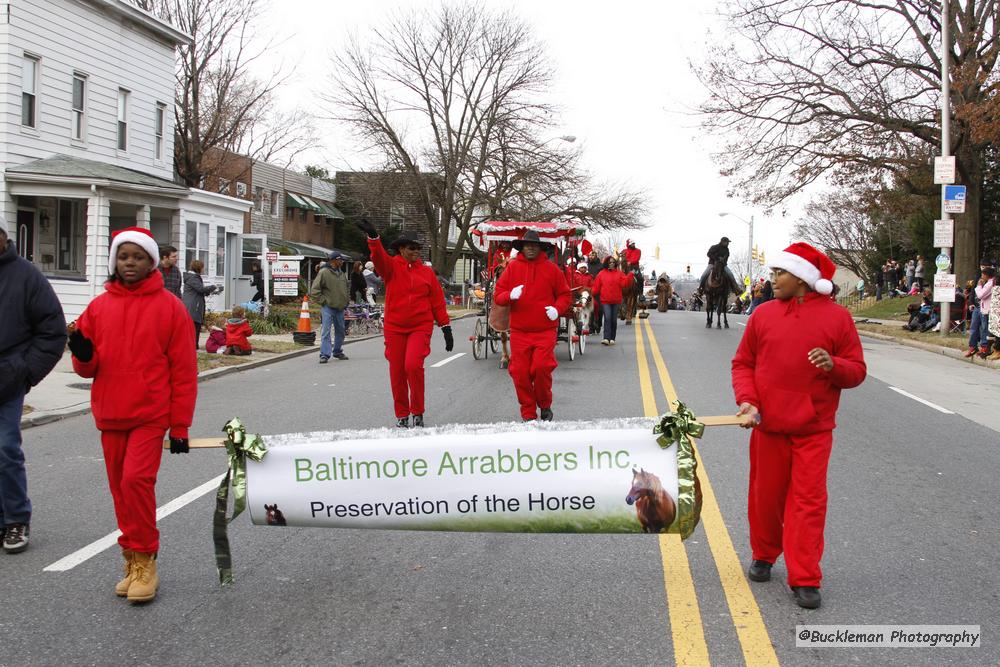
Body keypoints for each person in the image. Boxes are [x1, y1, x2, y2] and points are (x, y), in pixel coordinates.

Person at [731, 242, 866, 610]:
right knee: (766, 495)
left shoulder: (837, 318)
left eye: (780, 273)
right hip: (768, 426)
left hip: (814, 429)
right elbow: (743, 363)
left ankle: (805, 575)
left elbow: (856, 371)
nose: (772, 279)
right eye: (773, 273)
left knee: (807, 502)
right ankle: (764, 553)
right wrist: (748, 401)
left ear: (803, 279)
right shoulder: (762, 315)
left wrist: (833, 365)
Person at [67, 226, 196, 604]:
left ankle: (146, 561)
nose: (130, 263)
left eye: (138, 257)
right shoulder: (98, 307)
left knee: (136, 481)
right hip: (110, 414)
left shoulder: (170, 307)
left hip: (149, 414)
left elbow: (184, 370)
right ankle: (130, 559)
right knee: (119, 490)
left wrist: (180, 425)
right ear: (114, 262)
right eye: (123, 257)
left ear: (152, 261)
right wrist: (81, 351)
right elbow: (86, 370)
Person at [0, 222, 67, 554]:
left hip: (7, 380)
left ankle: (15, 518)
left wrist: (26, 372)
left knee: (5, 449)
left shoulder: (26, 276)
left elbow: (53, 331)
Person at [354, 219, 452, 427]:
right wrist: (373, 238)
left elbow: (436, 301)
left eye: (418, 248)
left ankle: (417, 411)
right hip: (395, 327)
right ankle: (402, 414)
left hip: (420, 326)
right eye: (411, 248)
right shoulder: (391, 267)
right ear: (401, 249)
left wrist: (445, 327)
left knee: (413, 366)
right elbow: (379, 258)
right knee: (397, 371)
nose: (416, 251)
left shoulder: (426, 273)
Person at [493, 230, 571, 422]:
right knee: (520, 372)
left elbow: (565, 295)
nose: (530, 248)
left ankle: (544, 405)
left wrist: (557, 309)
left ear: (539, 248)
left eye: (534, 245)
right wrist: (509, 295)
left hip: (545, 330)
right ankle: (528, 413)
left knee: (541, 367)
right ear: (522, 248)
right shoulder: (512, 269)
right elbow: (498, 295)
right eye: (527, 245)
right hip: (520, 331)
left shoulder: (552, 269)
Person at [310, 251, 350, 363]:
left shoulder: (342, 274)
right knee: (326, 331)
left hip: (340, 307)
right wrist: (324, 302)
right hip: (328, 307)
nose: (341, 262)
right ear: (333, 260)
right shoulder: (324, 272)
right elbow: (314, 290)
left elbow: (346, 289)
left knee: (341, 331)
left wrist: (346, 300)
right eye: (340, 260)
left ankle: (337, 351)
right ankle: (324, 354)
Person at [591, 257, 630, 346]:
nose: (611, 264)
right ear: (606, 263)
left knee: (613, 320)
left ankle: (612, 338)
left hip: (616, 300)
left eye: (613, 262)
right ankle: (606, 338)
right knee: (607, 318)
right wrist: (590, 294)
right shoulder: (601, 274)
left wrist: (629, 277)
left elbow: (624, 284)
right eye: (609, 262)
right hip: (605, 300)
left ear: (615, 263)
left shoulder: (620, 273)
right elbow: (596, 287)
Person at [182, 259, 218, 348]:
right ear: (198, 268)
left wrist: (210, 291)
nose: (203, 270)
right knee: (195, 327)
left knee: (195, 326)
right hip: (193, 306)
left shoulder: (192, 278)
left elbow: (200, 291)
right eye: (202, 268)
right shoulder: (193, 278)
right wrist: (213, 287)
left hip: (192, 305)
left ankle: (194, 345)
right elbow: (200, 289)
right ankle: (193, 346)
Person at [974, 267, 995, 358]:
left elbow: (980, 295)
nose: (981, 277)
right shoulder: (990, 283)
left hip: (987, 310)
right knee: (985, 329)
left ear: (986, 275)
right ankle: (985, 348)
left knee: (986, 330)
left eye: (982, 274)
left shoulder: (990, 284)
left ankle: (986, 348)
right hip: (986, 309)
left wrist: (979, 286)